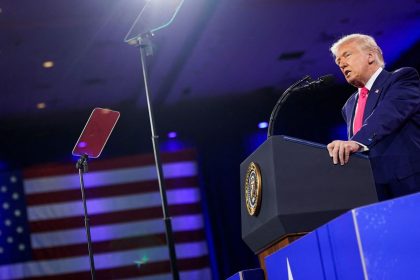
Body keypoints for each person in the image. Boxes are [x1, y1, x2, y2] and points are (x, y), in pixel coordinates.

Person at [326, 33, 420, 199]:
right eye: (338, 62)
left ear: (371, 55)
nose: (342, 64)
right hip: (372, 191)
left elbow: (389, 113)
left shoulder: (401, 78)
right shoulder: (348, 106)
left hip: (409, 183)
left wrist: (356, 142)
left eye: (347, 55)